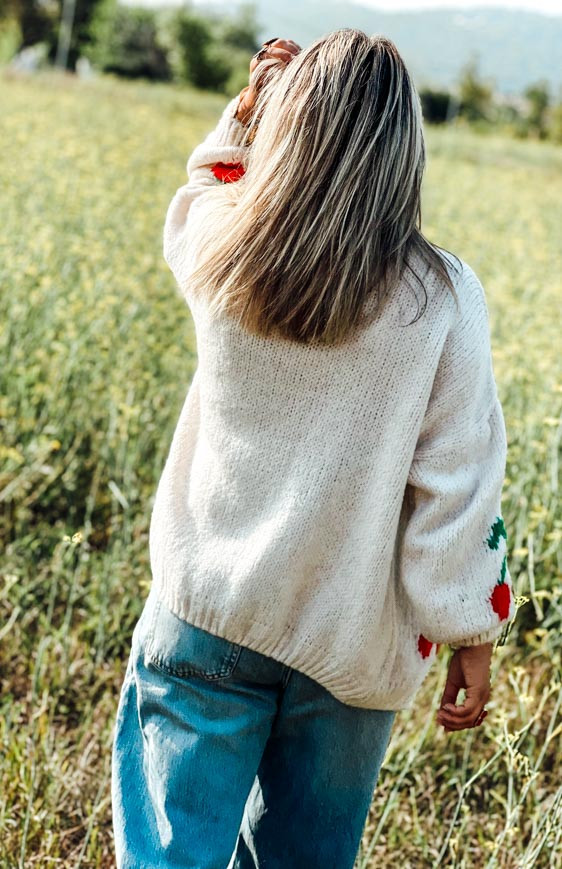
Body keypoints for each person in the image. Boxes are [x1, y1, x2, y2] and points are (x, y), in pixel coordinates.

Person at [111, 29, 516, 868]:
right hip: (351, 646)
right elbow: (458, 484)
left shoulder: (223, 243)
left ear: (285, 130)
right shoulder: (442, 299)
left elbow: (208, 178)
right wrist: (470, 627)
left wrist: (251, 108)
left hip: (207, 612)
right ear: (405, 150)